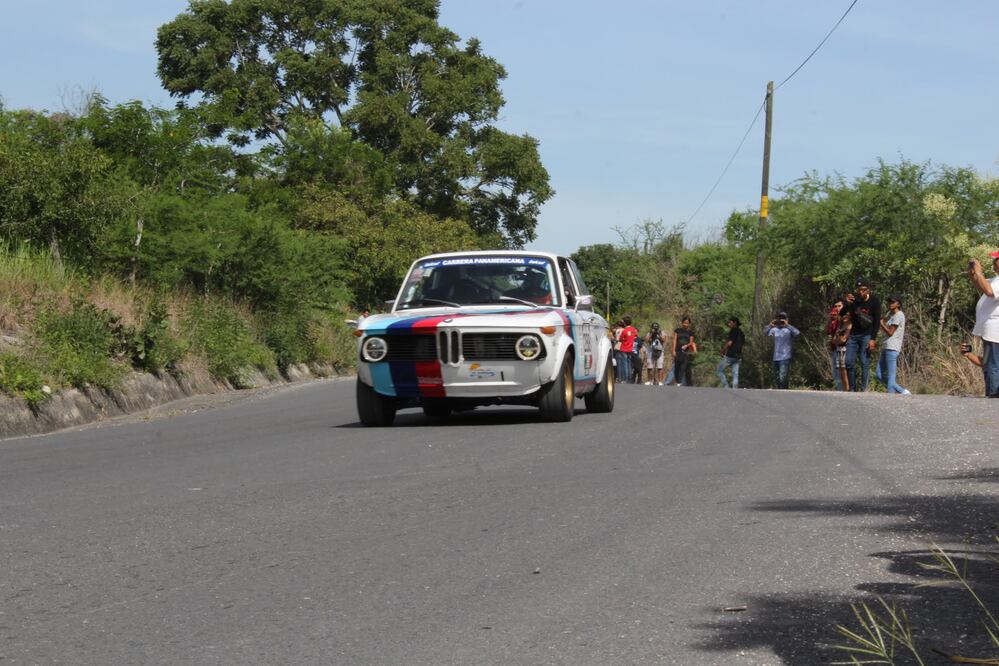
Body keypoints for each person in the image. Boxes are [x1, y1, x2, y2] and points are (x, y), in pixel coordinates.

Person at [967, 251, 999, 397]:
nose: (993, 261)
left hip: (995, 329)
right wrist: (973, 273)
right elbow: (981, 286)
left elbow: (989, 291)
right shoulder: (995, 279)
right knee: (989, 364)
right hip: (990, 330)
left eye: (996, 259)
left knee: (993, 365)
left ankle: (993, 396)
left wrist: (979, 272)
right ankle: (992, 394)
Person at [844, 278, 881, 391]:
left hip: (866, 335)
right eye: (859, 289)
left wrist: (873, 339)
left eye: (863, 289)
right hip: (853, 335)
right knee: (848, 362)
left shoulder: (874, 301)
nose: (861, 292)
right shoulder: (854, 299)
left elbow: (877, 321)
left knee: (864, 362)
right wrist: (847, 303)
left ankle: (864, 389)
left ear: (868, 290)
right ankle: (852, 389)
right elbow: (842, 313)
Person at [875, 294, 910, 394]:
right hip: (886, 346)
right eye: (889, 302)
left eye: (892, 302)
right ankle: (902, 391)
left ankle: (892, 396)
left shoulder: (899, 315)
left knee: (891, 377)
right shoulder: (892, 316)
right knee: (878, 374)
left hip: (892, 347)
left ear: (898, 304)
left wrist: (881, 323)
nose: (890, 303)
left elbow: (890, 332)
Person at [764, 311, 801, 389]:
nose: (780, 320)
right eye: (779, 318)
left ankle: (783, 390)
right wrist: (770, 325)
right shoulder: (774, 329)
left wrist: (787, 325)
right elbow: (765, 332)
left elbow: (797, 333)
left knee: (783, 377)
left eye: (783, 318)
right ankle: (781, 390)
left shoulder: (789, 329)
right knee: (777, 377)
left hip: (785, 356)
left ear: (786, 319)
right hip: (776, 356)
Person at [716, 316, 744, 388]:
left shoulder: (733, 330)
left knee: (719, 370)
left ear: (735, 323)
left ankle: (726, 386)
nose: (729, 324)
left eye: (730, 322)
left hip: (730, 355)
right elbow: (742, 346)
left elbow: (729, 343)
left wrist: (722, 350)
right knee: (735, 374)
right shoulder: (741, 333)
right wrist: (741, 355)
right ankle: (734, 390)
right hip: (738, 356)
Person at [825, 297, 846, 390]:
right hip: (834, 348)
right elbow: (827, 331)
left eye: (839, 306)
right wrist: (830, 320)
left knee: (841, 371)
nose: (837, 308)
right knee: (835, 372)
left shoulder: (844, 318)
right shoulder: (833, 320)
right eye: (836, 306)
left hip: (841, 347)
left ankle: (843, 389)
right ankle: (839, 389)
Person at [832, 306, 851, 392]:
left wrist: (838, 339)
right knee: (840, 371)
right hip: (838, 349)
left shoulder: (850, 325)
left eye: (846, 315)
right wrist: (838, 339)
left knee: (844, 371)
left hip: (845, 349)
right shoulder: (840, 326)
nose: (844, 317)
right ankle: (844, 389)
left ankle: (847, 389)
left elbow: (844, 339)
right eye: (843, 315)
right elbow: (833, 340)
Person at [672, 316, 696, 387]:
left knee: (683, 366)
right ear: (682, 323)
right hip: (678, 350)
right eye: (684, 323)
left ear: (689, 324)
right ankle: (677, 380)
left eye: (687, 323)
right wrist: (673, 350)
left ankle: (679, 382)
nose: (686, 324)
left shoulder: (690, 332)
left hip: (686, 352)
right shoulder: (677, 330)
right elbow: (674, 340)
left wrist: (686, 345)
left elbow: (691, 342)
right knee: (677, 366)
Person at [618, 316, 638, 384]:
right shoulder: (633, 329)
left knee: (625, 364)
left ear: (625, 322)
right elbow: (635, 336)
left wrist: (624, 339)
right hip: (630, 348)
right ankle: (629, 378)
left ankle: (625, 379)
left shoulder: (624, 330)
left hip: (624, 348)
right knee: (629, 364)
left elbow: (620, 339)